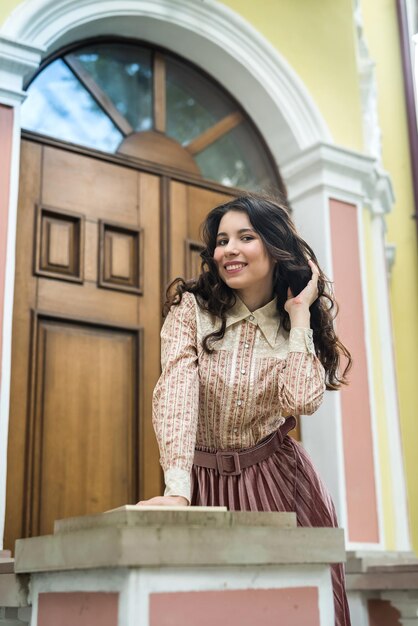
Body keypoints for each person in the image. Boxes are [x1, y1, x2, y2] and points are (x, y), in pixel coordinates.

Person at [137, 193, 352, 626]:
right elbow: (175, 395)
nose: (228, 250)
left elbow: (302, 400)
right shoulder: (191, 312)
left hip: (280, 484)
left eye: (245, 237)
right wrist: (178, 488)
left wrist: (299, 318)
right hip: (200, 487)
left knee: (295, 611)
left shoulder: (296, 321)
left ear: (275, 248)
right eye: (221, 240)